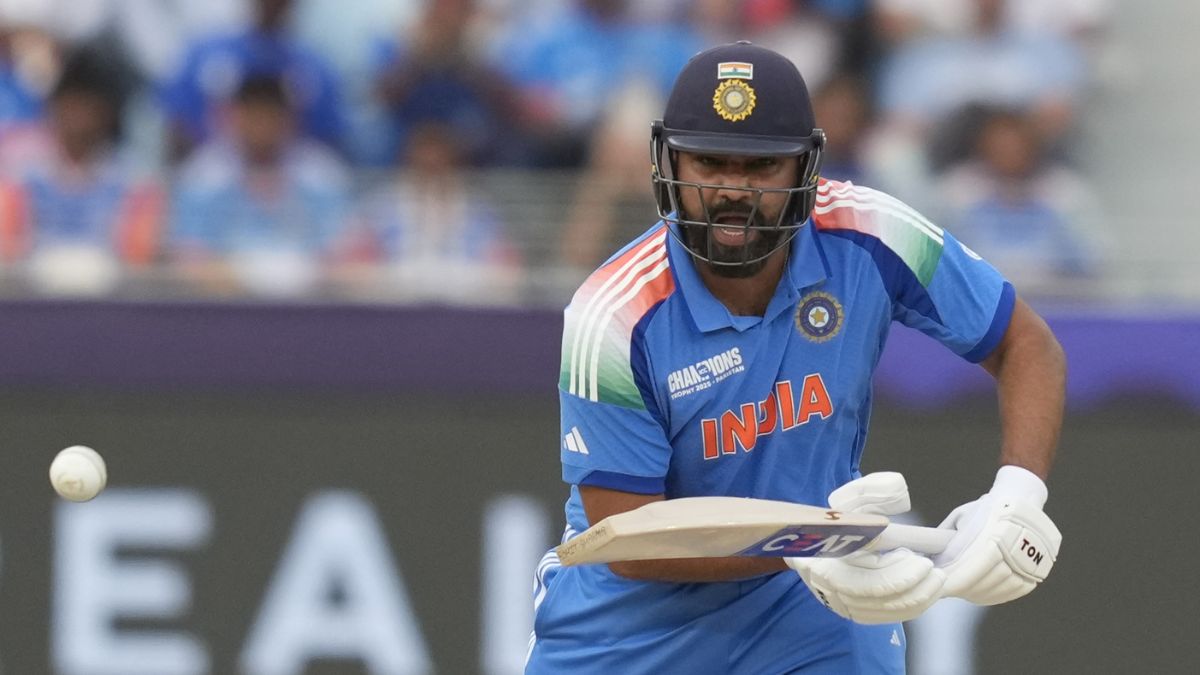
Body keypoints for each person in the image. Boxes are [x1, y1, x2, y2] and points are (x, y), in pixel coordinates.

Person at [527, 42, 1064, 674]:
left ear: (804, 168)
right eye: (708, 162)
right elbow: (629, 539)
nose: (732, 190)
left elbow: (1024, 343)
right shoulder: (613, 315)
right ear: (667, 161)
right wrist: (808, 546)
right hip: (629, 628)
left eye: (762, 166)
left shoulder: (872, 231)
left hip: (811, 609)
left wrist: (1018, 494)